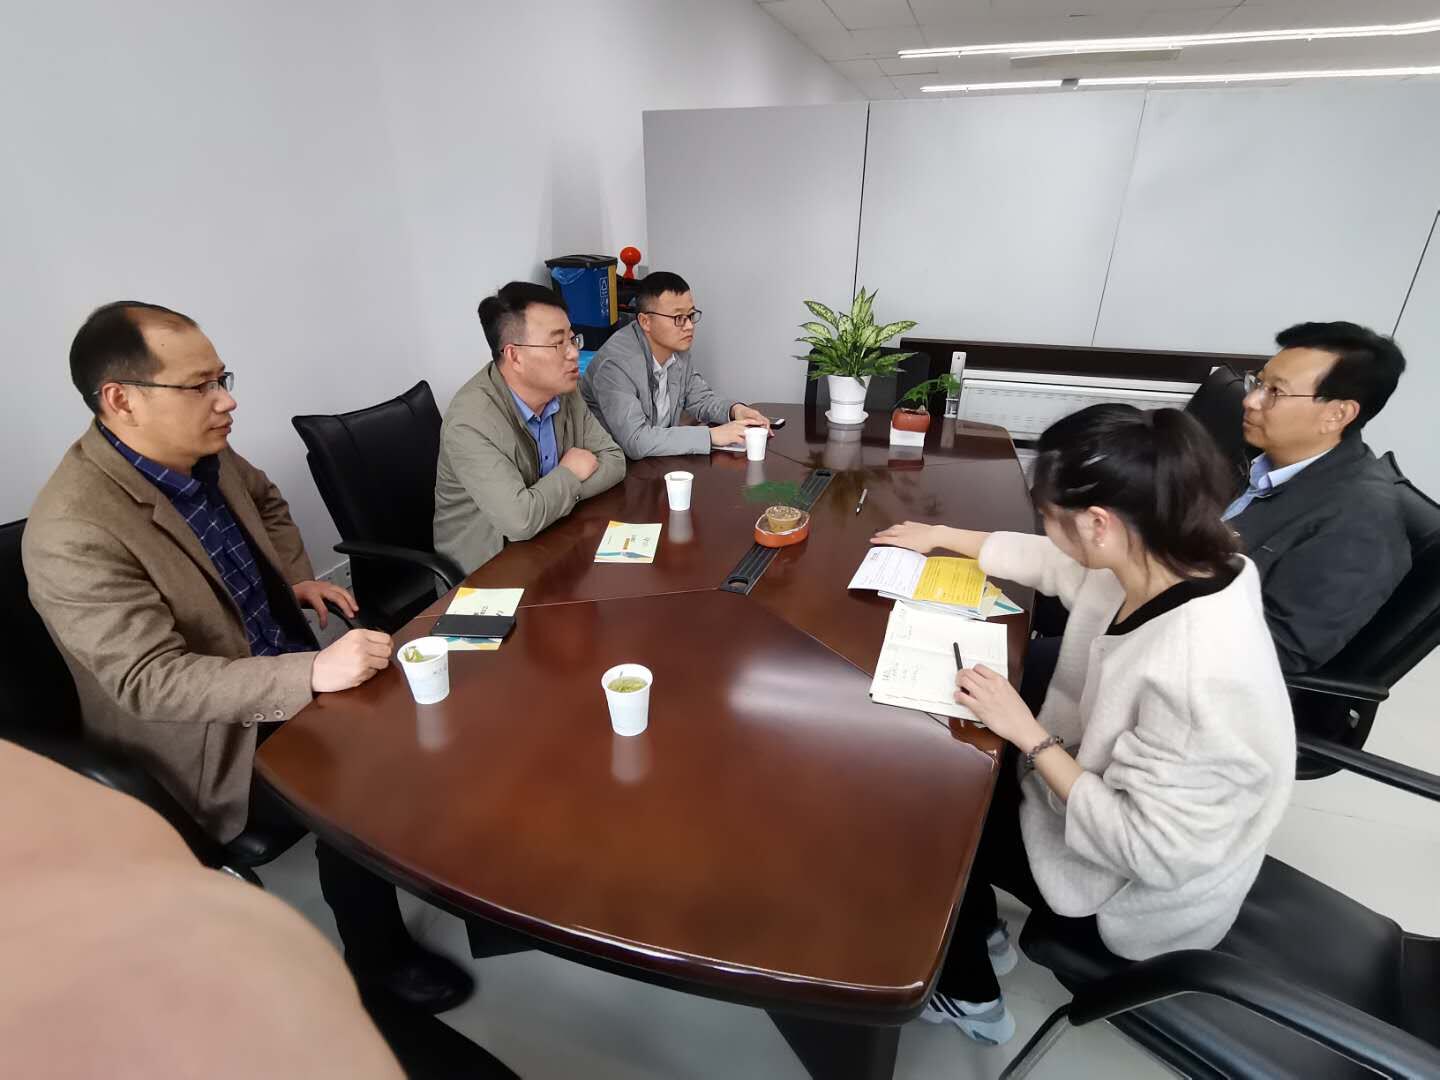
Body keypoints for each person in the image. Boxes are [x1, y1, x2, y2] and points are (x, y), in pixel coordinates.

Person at [24, 301, 473, 1013]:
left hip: (277, 663)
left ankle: (453, 868)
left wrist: (293, 575)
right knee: (362, 770)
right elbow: (149, 682)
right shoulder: (72, 531)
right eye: (199, 385)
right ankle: (376, 962)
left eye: (221, 378)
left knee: (438, 696)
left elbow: (267, 500)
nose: (226, 400)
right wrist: (311, 672)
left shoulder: (204, 453)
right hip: (201, 737)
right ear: (121, 399)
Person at [872, 404, 1295, 1046]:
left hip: (1127, 891)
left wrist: (1027, 733)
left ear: (1099, 524)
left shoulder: (1197, 676)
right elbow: (1058, 564)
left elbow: (1147, 850)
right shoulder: (1174, 555)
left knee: (927, 818)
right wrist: (944, 536)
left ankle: (971, 998)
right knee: (954, 767)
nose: (1044, 526)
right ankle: (977, 929)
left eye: (1048, 513)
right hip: (1088, 788)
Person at [1224, 321, 1410, 673]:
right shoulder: (1258, 454)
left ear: (1337, 414)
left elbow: (1285, 649)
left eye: (1275, 392)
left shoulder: (1359, 521)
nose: (1250, 400)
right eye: (1258, 383)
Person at [434, 281, 625, 574]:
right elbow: (520, 521)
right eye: (558, 343)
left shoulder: (564, 390)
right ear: (515, 356)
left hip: (552, 543)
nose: (573, 353)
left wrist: (546, 502)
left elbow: (614, 461)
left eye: (572, 339)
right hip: (489, 572)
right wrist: (570, 473)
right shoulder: (470, 421)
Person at [580, 271, 770, 458]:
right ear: (645, 321)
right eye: (678, 318)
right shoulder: (616, 364)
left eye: (691, 315)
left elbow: (700, 399)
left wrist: (736, 410)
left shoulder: (677, 349)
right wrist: (711, 436)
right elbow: (636, 440)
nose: (689, 326)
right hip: (615, 466)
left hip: (656, 461)